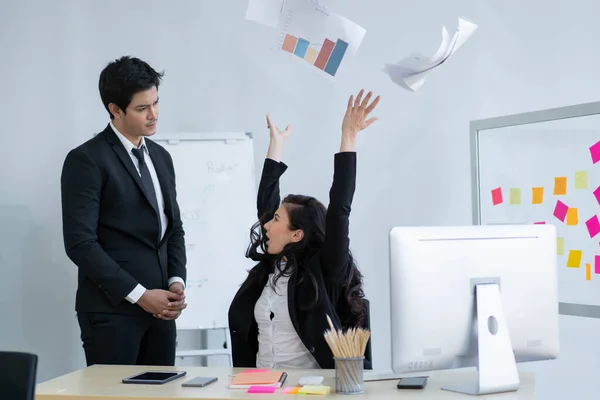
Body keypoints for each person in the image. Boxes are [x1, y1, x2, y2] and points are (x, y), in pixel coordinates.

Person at [228, 89, 380, 370]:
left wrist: (348, 137)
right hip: (260, 386)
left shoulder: (322, 270)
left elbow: (339, 210)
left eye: (275, 220)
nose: (266, 225)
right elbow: (266, 201)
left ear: (296, 234)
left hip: (308, 390)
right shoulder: (272, 267)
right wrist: (276, 144)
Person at [61, 56, 187, 366]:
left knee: (161, 394)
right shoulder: (87, 160)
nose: (154, 114)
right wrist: (141, 295)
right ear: (115, 109)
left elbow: (174, 230)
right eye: (142, 108)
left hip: (162, 311)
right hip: (111, 312)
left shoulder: (161, 157)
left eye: (156, 103)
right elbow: (80, 243)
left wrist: (175, 282)